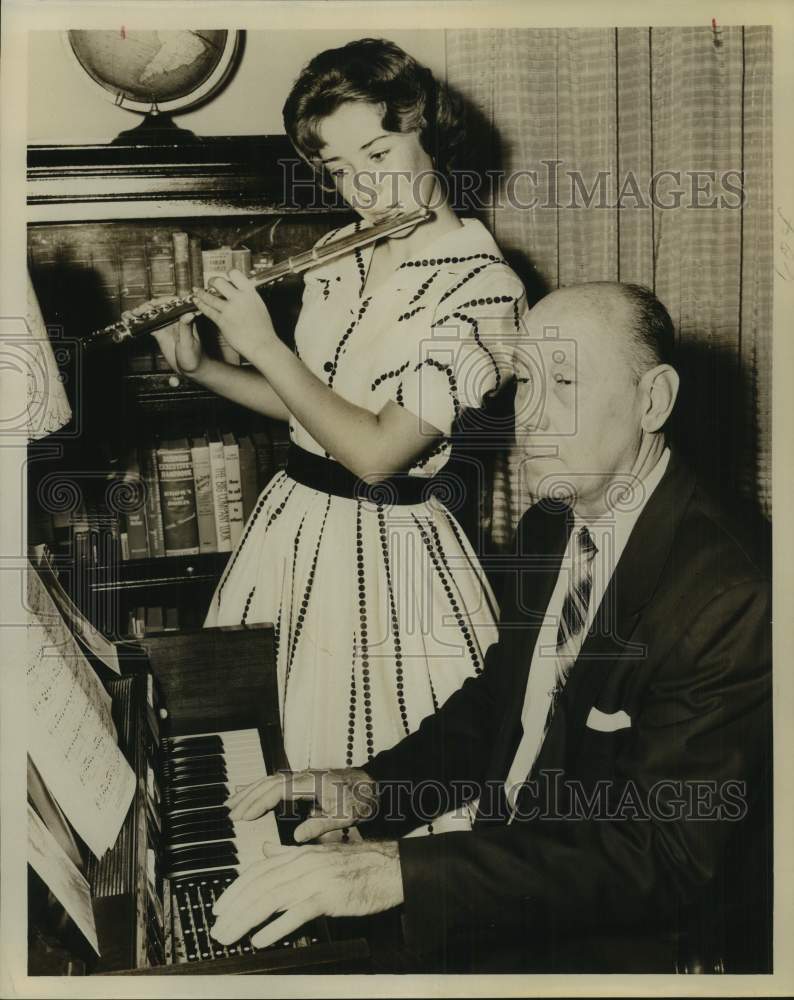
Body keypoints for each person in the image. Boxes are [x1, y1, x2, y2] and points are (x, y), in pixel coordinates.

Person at [205, 282, 772, 973]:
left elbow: (663, 854)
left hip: (625, 947)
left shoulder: (733, 593)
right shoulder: (552, 523)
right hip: (511, 871)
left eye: (565, 382)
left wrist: (398, 872)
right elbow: (501, 705)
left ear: (653, 400)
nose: (530, 418)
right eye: (525, 380)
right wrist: (374, 786)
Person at [135, 39, 528, 777]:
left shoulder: (485, 289)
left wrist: (264, 344)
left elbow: (376, 452)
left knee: (363, 782)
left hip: (390, 556)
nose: (363, 188)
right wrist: (203, 369)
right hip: (290, 528)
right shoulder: (341, 249)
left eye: (378, 154)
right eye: (341, 169)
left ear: (431, 136)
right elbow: (311, 414)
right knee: (252, 760)